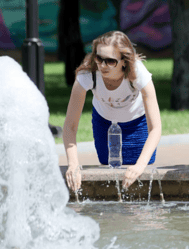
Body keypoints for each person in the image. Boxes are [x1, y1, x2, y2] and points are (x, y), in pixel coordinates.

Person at [63, 31, 162, 192]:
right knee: (106, 165)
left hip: (137, 123)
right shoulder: (87, 74)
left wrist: (140, 164)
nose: (102, 65)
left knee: (139, 170)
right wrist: (73, 165)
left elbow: (156, 127)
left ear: (124, 62)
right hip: (104, 122)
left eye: (110, 61)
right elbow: (70, 126)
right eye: (99, 58)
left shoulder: (138, 74)